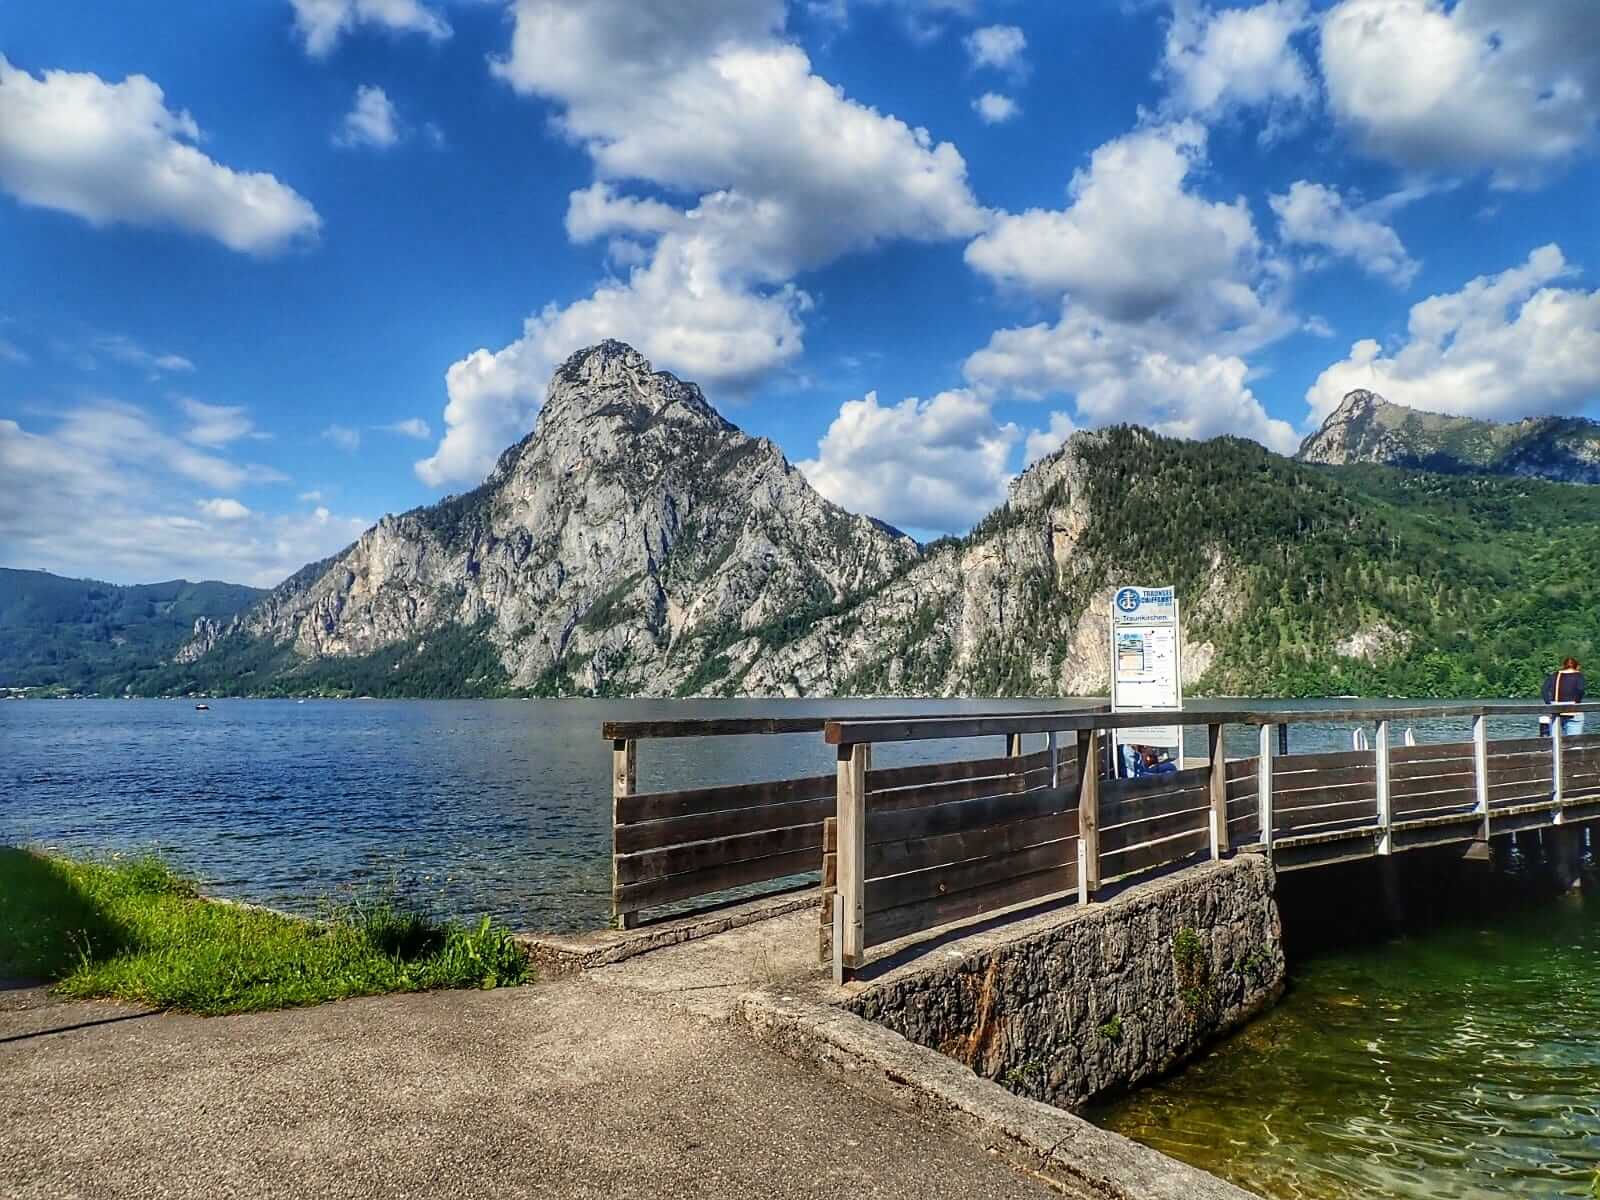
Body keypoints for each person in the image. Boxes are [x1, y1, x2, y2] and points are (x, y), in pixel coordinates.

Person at [1541, 657, 1586, 737]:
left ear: (1563, 665)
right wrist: (1576, 702)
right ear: (1577, 666)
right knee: (1574, 743)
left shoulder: (1555, 675)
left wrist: (1549, 704)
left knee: (1555, 742)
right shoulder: (1579, 676)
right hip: (1574, 711)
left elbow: (1544, 690)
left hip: (1556, 710)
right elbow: (1581, 690)